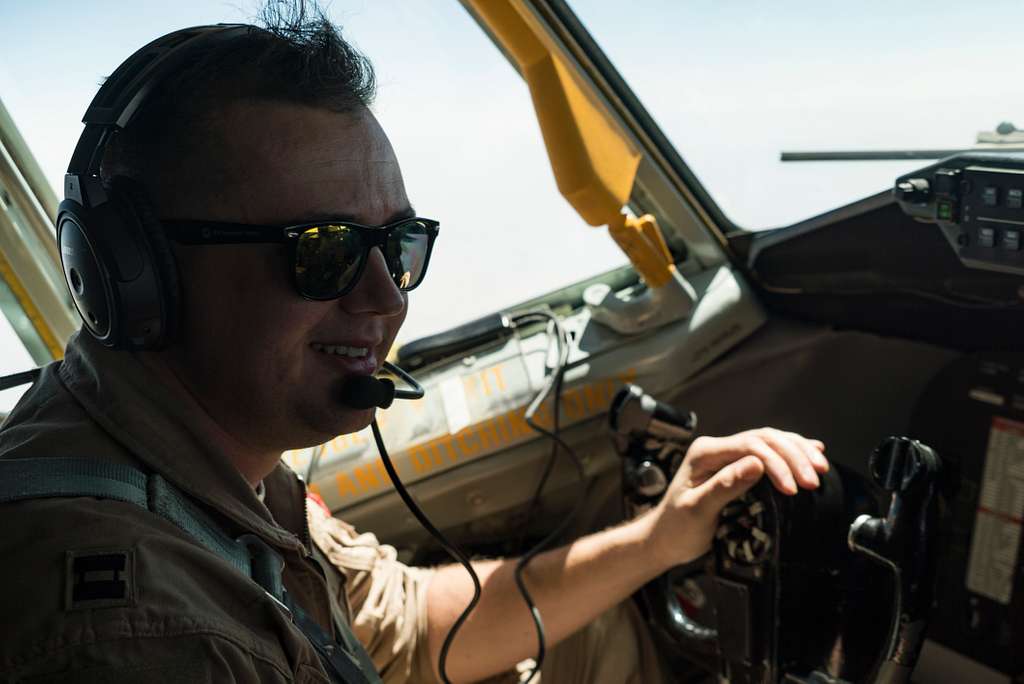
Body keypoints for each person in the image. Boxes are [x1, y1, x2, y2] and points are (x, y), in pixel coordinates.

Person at [0, 5, 828, 683]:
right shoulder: (142, 638)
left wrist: (659, 541)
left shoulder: (212, 456)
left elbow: (413, 630)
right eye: (320, 252)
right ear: (134, 274)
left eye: (397, 243)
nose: (387, 296)